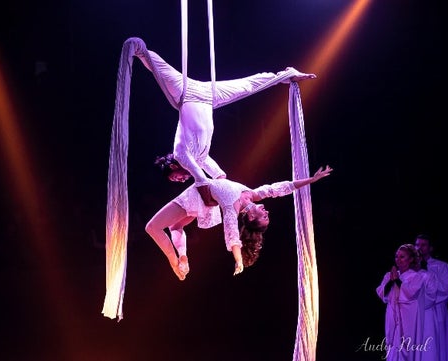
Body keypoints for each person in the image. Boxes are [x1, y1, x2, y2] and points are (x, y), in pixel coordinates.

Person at [128, 37, 316, 205]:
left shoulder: (180, 154)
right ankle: (285, 76)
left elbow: (201, 180)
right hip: (208, 98)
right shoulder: (200, 158)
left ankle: (139, 48)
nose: (180, 181)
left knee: (160, 69)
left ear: (172, 167)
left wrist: (209, 201)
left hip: (187, 94)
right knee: (245, 87)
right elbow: (220, 175)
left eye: (175, 178)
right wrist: (225, 195)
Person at [145, 155, 332, 280]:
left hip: (194, 197)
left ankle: (174, 262)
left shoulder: (232, 208)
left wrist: (239, 259)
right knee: (175, 227)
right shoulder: (253, 194)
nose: (268, 212)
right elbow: (280, 188)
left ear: (251, 217)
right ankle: (183, 256)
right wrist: (310, 180)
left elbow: (232, 235)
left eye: (264, 217)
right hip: (203, 199)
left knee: (152, 227)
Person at [376, 243, 427, 361]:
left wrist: (397, 280)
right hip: (392, 314)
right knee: (392, 347)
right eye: (396, 256)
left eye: (402, 257)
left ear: (411, 259)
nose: (398, 260)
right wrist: (392, 280)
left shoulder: (416, 277)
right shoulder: (389, 275)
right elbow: (382, 292)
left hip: (408, 316)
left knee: (406, 348)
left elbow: (410, 293)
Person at [414, 234, 448, 361]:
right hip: (418, 311)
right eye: (417, 244)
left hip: (437, 309)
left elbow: (446, 288)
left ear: (431, 248)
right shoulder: (411, 267)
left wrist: (429, 298)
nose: (419, 248)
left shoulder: (442, 266)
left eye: (423, 245)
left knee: (438, 345)